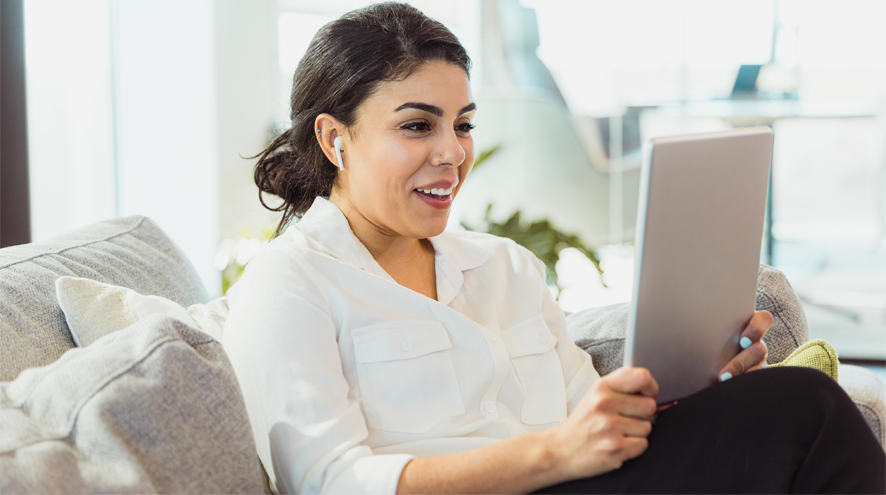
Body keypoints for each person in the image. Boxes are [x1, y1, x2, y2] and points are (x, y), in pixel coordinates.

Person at [223, 3, 886, 494]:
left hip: (581, 480)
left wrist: (693, 387)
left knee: (791, 405)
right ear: (335, 140)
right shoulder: (288, 284)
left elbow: (583, 412)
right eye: (417, 125)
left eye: (463, 125)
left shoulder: (504, 267)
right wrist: (553, 454)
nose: (452, 153)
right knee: (809, 408)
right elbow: (329, 481)